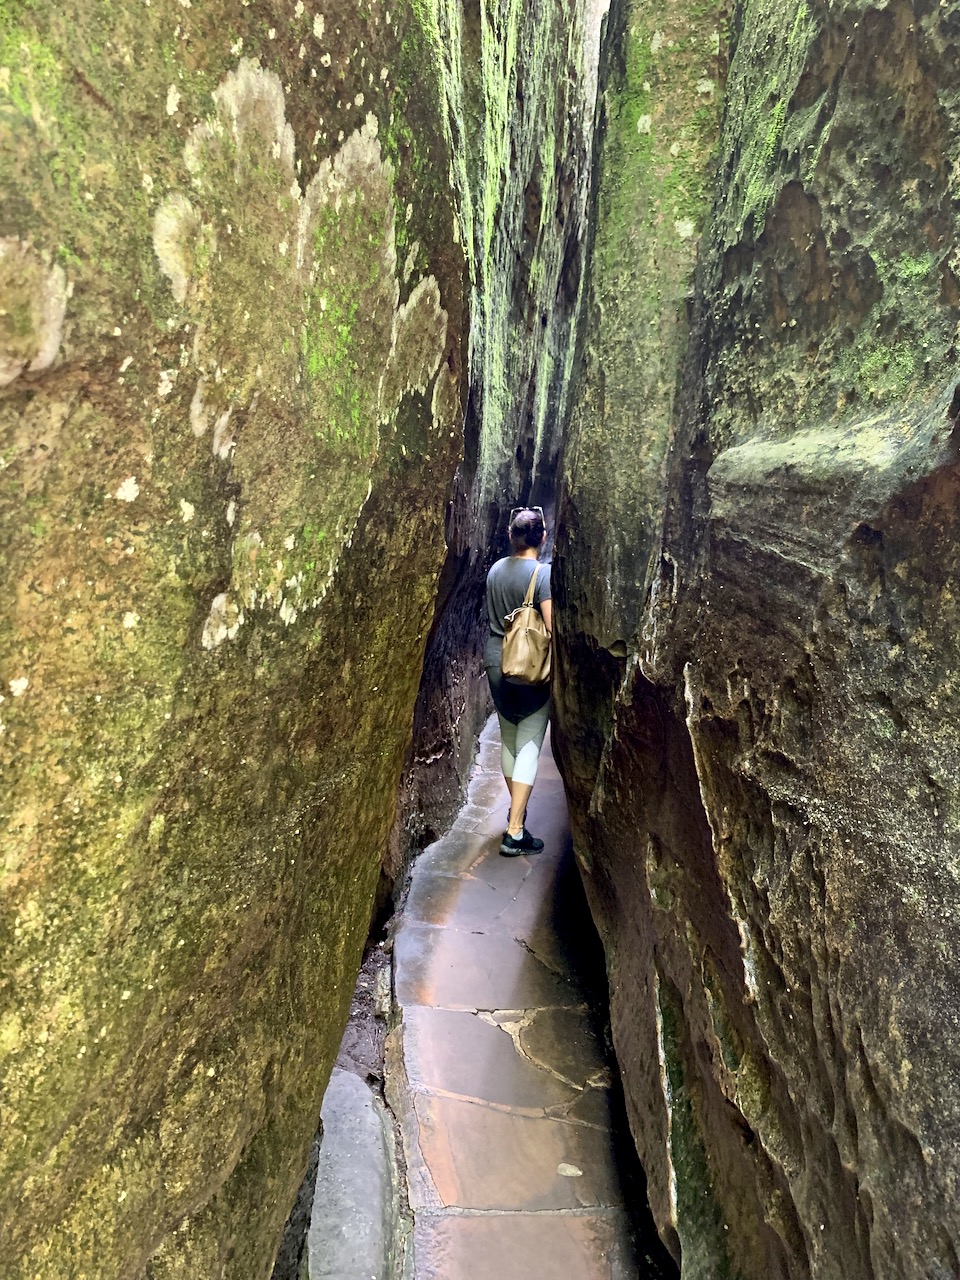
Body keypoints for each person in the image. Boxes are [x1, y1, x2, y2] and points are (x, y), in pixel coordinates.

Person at [484, 506, 553, 856]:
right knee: (528, 742)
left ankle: (517, 817)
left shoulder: (495, 571)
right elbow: (551, 626)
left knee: (509, 737)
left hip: (497, 662)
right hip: (528, 666)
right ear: (541, 537)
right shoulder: (543, 575)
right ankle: (514, 830)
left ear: (511, 536)